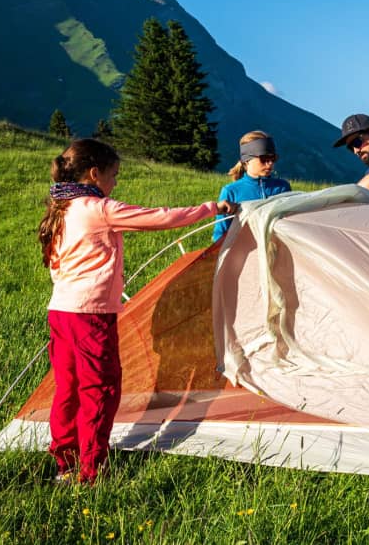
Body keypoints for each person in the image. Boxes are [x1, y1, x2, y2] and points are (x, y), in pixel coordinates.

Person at [37, 138, 236, 484]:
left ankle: (64, 462)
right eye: (113, 176)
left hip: (61, 311)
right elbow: (158, 218)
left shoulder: (62, 207)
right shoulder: (96, 208)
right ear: (94, 173)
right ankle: (91, 471)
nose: (115, 184)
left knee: (67, 388)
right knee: (100, 388)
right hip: (91, 315)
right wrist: (211, 208)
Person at [212, 130, 292, 242]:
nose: (270, 163)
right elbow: (219, 234)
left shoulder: (283, 187)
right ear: (247, 160)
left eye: (273, 158)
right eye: (264, 159)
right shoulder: (231, 191)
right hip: (245, 253)